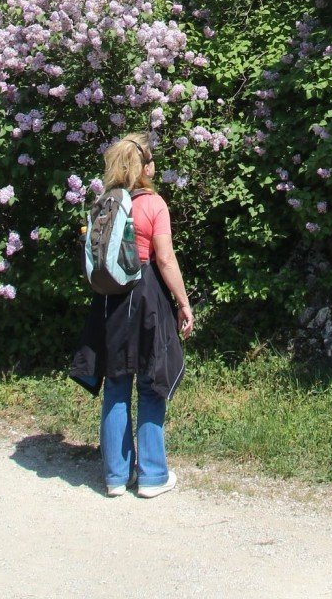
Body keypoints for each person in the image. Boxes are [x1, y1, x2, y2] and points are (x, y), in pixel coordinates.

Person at [69, 132, 195, 498]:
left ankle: (115, 477)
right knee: (152, 381)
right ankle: (153, 475)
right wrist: (184, 302)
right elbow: (165, 259)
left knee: (117, 382)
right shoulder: (154, 204)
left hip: (109, 300)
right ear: (145, 167)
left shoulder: (105, 203)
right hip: (146, 296)